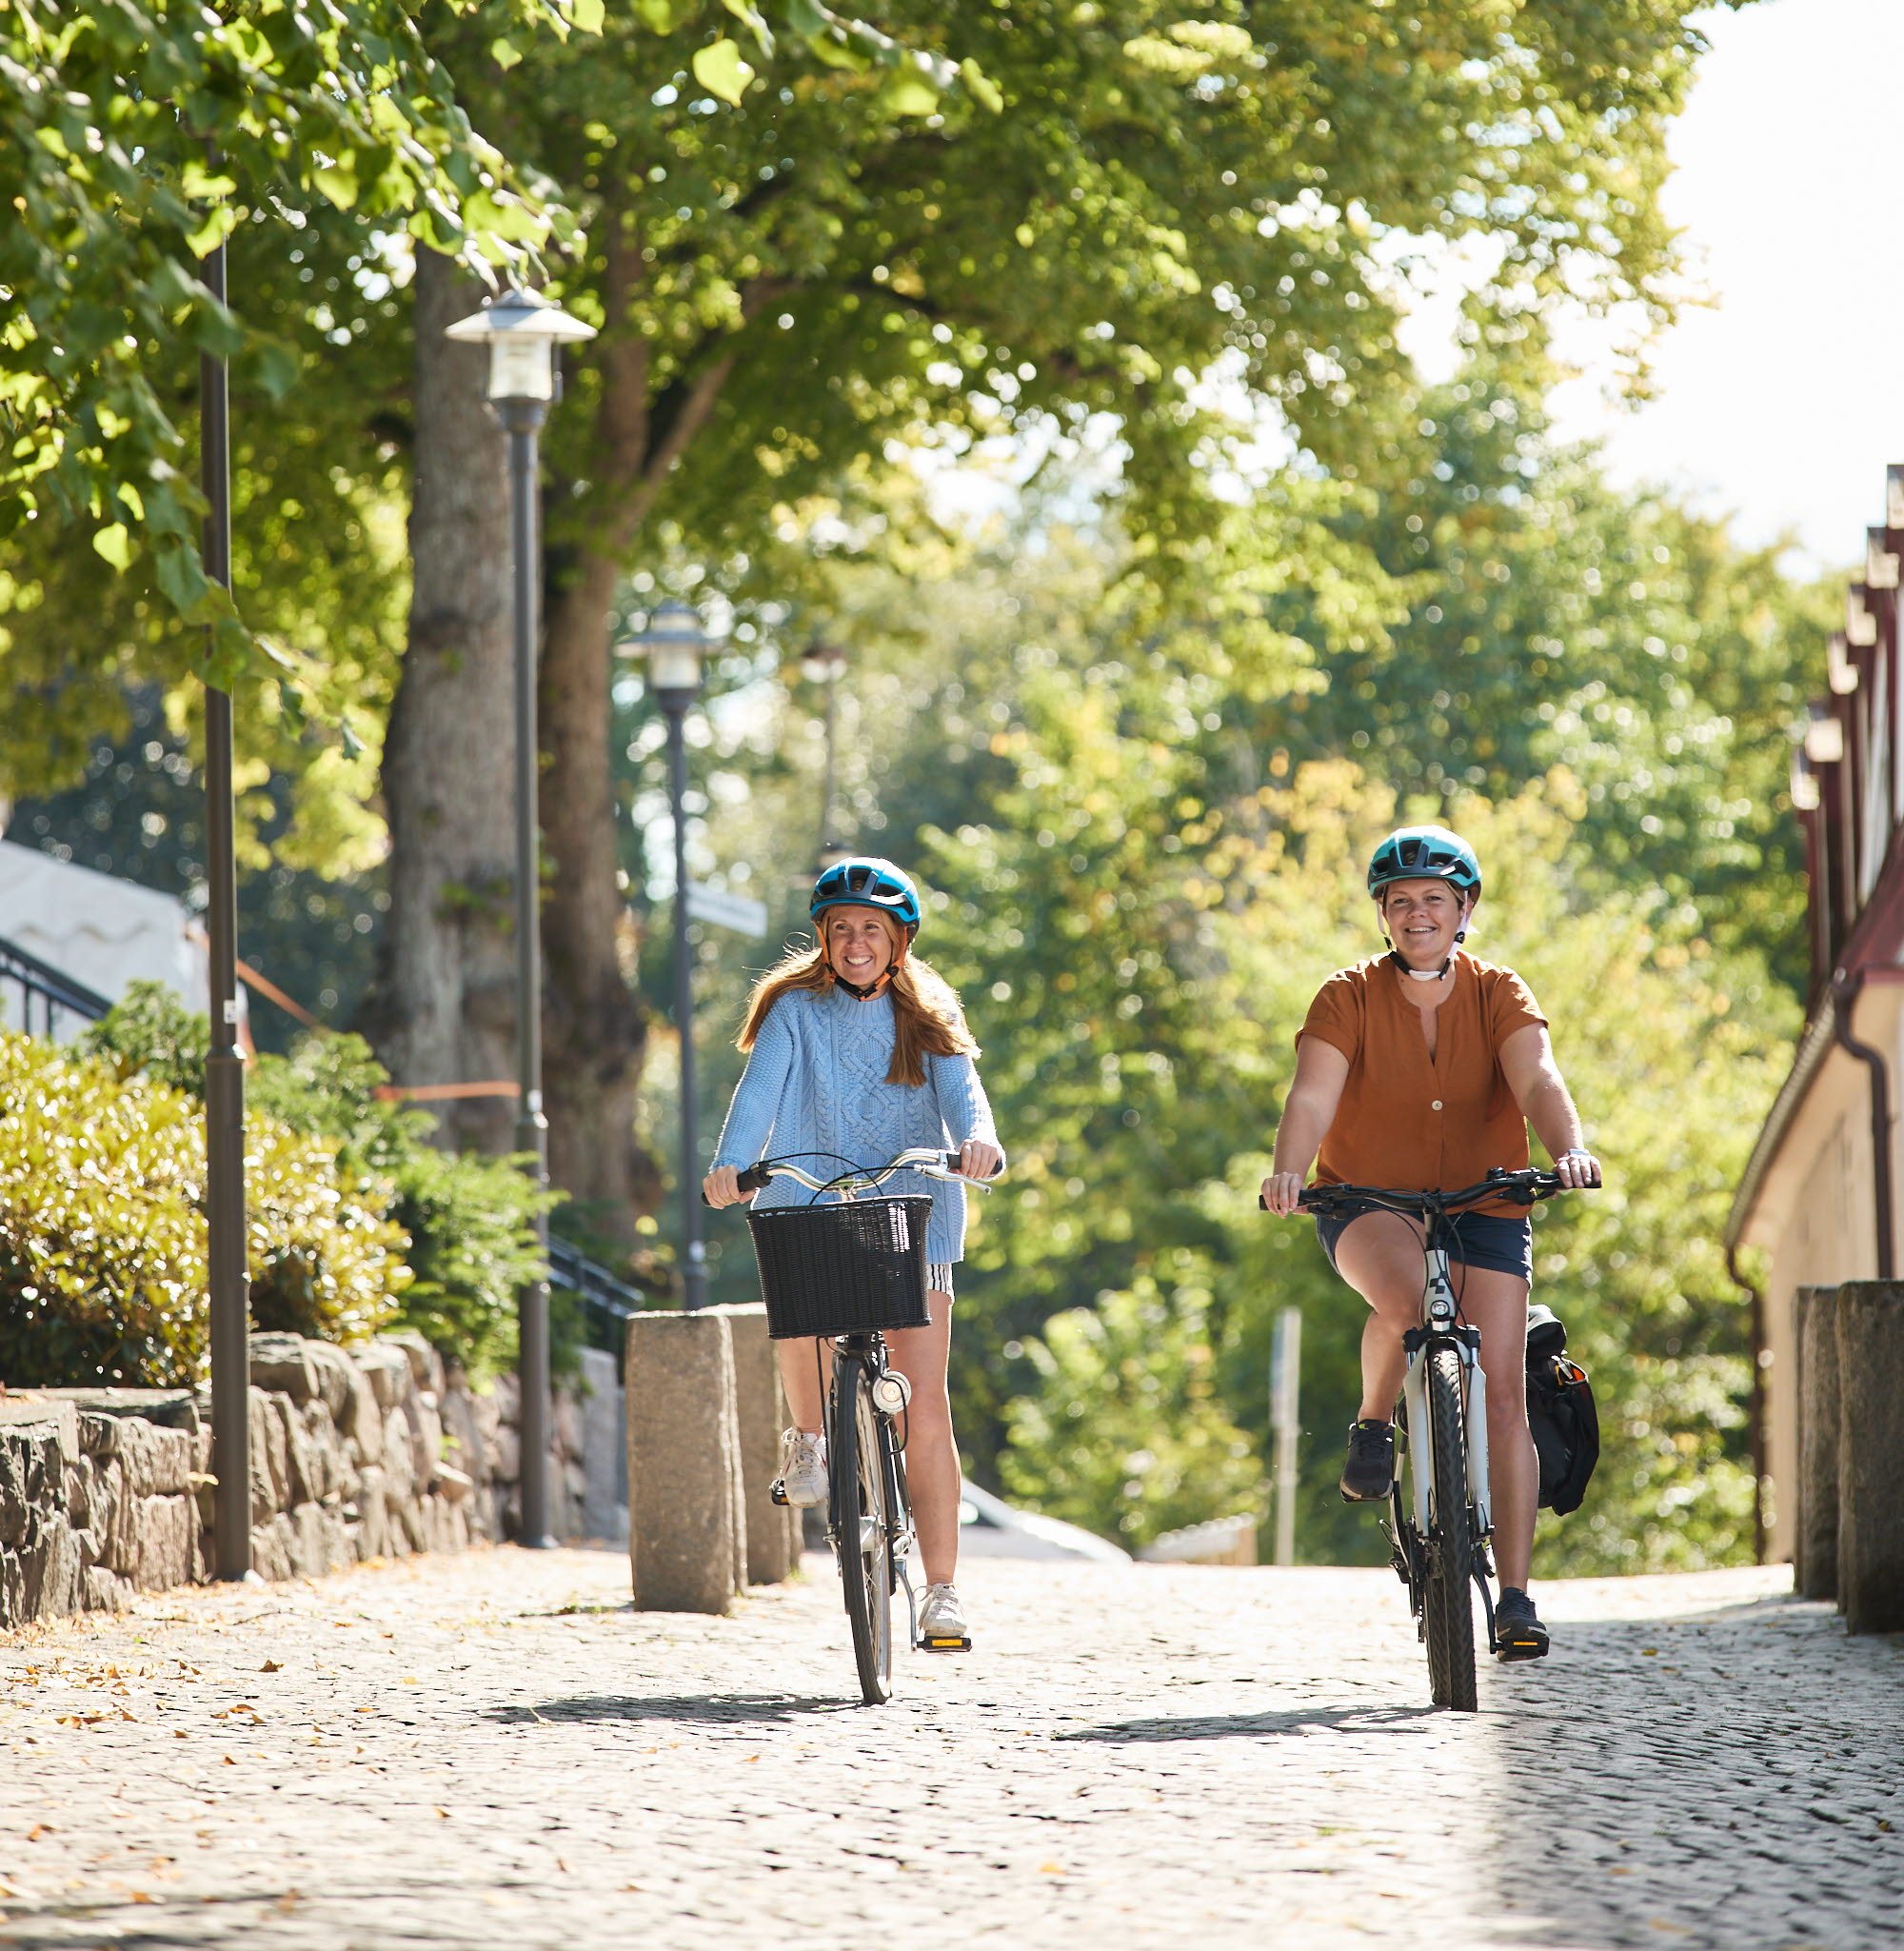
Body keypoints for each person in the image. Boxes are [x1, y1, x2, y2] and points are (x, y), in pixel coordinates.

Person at [1259, 825, 1600, 1662]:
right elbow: (1312, 1094)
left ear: (1465, 909)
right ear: (1383, 914)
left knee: (1505, 1390)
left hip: (1487, 1198)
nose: (1418, 915)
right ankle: (1376, 1422)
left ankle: (1515, 1596)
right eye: (1401, 901)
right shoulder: (1345, 995)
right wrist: (1288, 1169)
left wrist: (1568, 1148)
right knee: (1407, 1299)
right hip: (1368, 1198)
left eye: (1435, 901)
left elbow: (1537, 1077)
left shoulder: (1500, 992)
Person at [703, 857, 1004, 1649]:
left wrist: (978, 1143)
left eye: (872, 928)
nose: (856, 941)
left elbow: (966, 1098)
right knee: (793, 1295)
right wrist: (731, 1163)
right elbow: (760, 1091)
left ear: (899, 940)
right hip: (813, 1198)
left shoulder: (927, 1013)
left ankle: (941, 1592)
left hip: (913, 1212)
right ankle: (810, 1437)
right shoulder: (793, 1010)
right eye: (841, 929)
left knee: (924, 1407)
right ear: (824, 939)